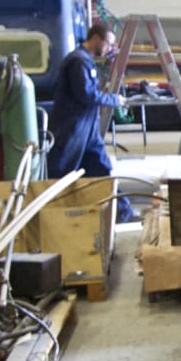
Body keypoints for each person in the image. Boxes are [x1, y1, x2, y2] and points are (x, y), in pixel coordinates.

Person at [48, 21, 137, 221]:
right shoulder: (78, 61)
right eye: (108, 43)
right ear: (96, 38)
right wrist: (114, 100)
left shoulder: (85, 61)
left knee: (102, 170)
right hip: (71, 130)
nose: (109, 49)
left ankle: (124, 214)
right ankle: (54, 217)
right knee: (62, 175)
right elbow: (86, 95)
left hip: (86, 131)